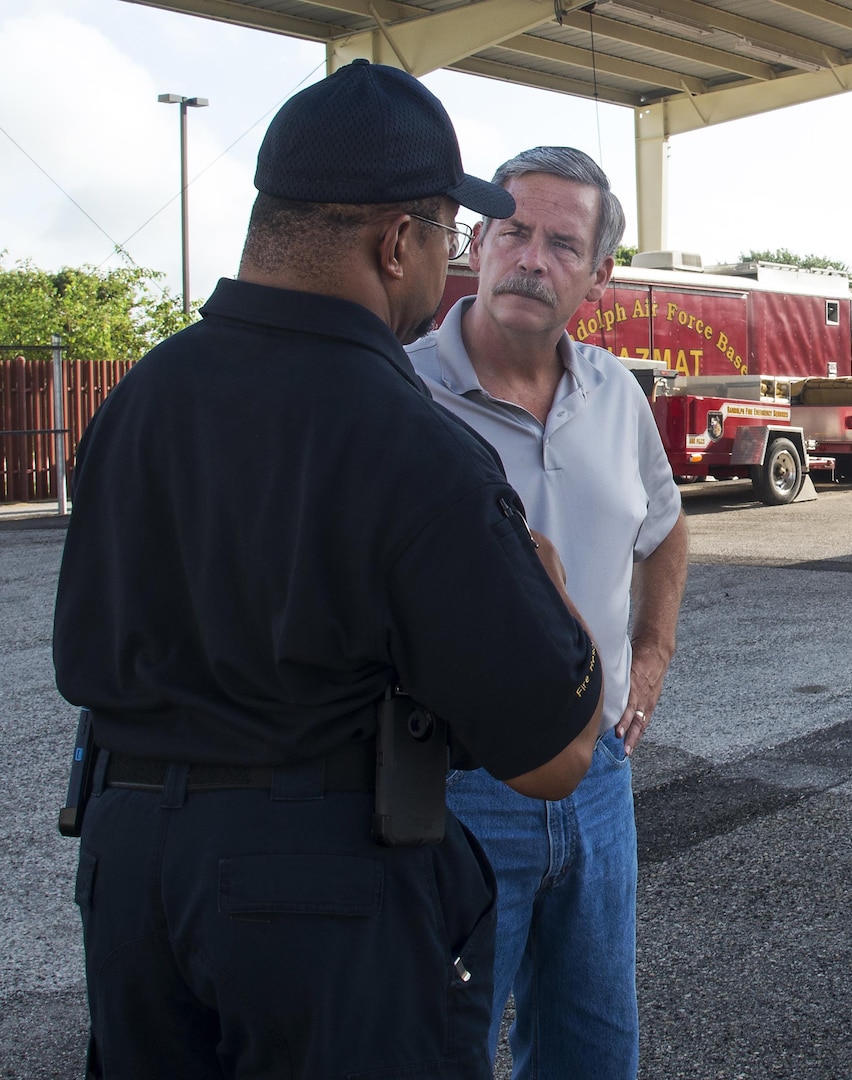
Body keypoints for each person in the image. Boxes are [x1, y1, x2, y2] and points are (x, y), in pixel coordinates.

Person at [53, 61, 605, 1079]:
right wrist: (553, 593)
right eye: (447, 235)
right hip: (319, 897)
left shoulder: (137, 402)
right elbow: (555, 754)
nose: (447, 262)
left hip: (128, 878)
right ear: (396, 242)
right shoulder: (411, 443)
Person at [407, 146, 687, 1079]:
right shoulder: (401, 394)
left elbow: (665, 529)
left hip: (600, 771)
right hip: (454, 783)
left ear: (599, 276)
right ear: (477, 244)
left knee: (594, 1046)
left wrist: (649, 660)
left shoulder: (617, 395)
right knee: (441, 1041)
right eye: (513, 231)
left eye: (563, 243)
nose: (531, 257)